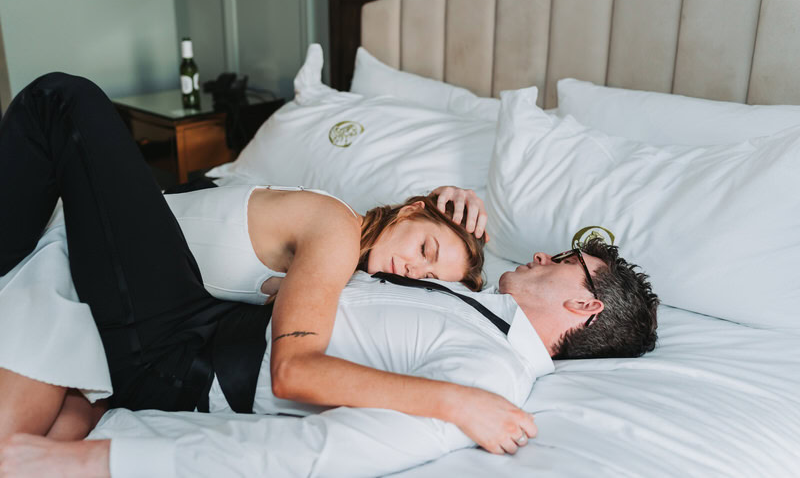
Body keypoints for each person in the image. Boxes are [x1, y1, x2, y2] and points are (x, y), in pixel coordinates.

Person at [0, 72, 523, 452]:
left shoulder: (340, 252)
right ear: (410, 208)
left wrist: (454, 401)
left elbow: (296, 365)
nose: (413, 269)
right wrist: (451, 194)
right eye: (425, 249)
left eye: (430, 278)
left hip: (135, 289)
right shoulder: (337, 226)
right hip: (123, 267)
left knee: (62, 98)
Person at [0, 236, 659, 478]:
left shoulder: (489, 376)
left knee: (69, 113)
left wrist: (79, 465)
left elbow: (315, 455)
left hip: (182, 357)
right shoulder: (475, 306)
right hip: (190, 321)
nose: (543, 255)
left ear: (586, 308)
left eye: (568, 262)